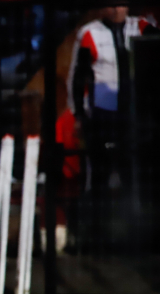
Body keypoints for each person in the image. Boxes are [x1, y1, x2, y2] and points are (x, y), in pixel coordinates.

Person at [67, 5, 158, 248]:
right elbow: (77, 76)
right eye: (112, 4)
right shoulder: (90, 33)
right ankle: (96, 236)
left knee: (135, 172)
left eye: (121, 4)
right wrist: (78, 114)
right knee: (100, 173)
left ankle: (140, 233)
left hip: (135, 114)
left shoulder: (140, 26)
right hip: (104, 115)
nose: (117, 9)